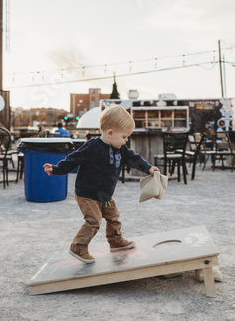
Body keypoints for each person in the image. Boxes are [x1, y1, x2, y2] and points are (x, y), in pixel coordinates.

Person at [43, 104, 159, 264]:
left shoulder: (121, 149)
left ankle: (115, 241)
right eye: (124, 137)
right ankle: (78, 246)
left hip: (105, 196)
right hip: (87, 194)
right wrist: (56, 169)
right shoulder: (93, 146)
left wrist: (149, 168)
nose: (126, 141)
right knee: (94, 221)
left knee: (114, 217)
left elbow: (134, 158)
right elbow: (73, 159)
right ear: (110, 133)